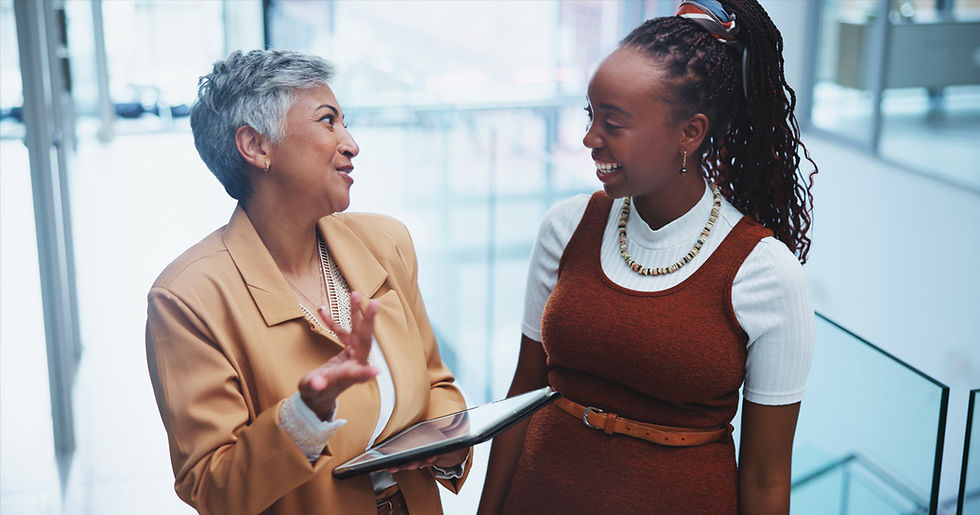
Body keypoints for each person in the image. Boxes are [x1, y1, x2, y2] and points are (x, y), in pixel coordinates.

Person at [479, 0, 816, 513]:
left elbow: (767, 479)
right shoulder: (566, 227)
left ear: (690, 133)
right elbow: (520, 398)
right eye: (591, 115)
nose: (589, 138)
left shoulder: (765, 273)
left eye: (613, 124)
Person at [145, 49, 471, 515]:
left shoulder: (386, 242)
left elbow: (438, 386)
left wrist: (449, 443)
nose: (351, 144)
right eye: (328, 121)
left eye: (345, 123)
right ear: (256, 147)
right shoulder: (188, 298)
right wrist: (304, 415)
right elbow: (215, 489)